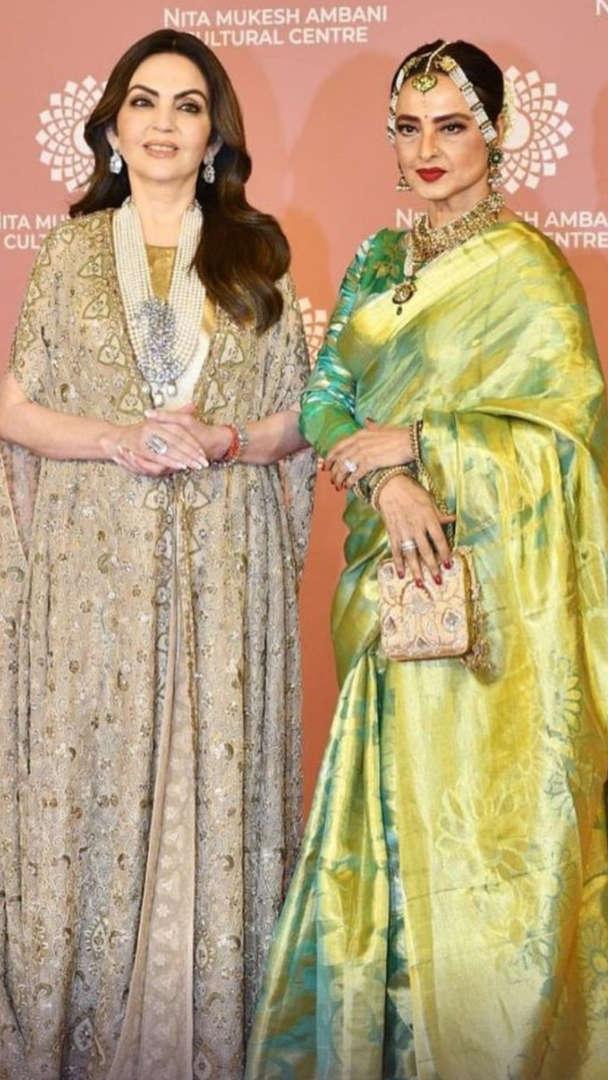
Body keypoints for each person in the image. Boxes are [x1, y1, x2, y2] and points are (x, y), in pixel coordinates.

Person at [246, 39, 608, 1080]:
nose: (426, 150)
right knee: (391, 830)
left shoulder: (529, 272)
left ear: (495, 136)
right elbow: (327, 400)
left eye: (451, 126)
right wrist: (386, 484)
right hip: (393, 593)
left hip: (496, 613)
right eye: (407, 128)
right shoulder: (374, 260)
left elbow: (567, 440)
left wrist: (422, 442)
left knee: (483, 845)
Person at [0, 28, 315, 1080]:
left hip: (223, 565)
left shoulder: (258, 252)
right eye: (144, 101)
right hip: (95, 570)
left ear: (215, 135)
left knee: (213, 781)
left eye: (188, 105)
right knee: (93, 783)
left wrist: (225, 440)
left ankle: (206, 1046)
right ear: (112, 126)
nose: (165, 123)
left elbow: (299, 419)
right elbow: (15, 409)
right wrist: (113, 440)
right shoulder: (70, 254)